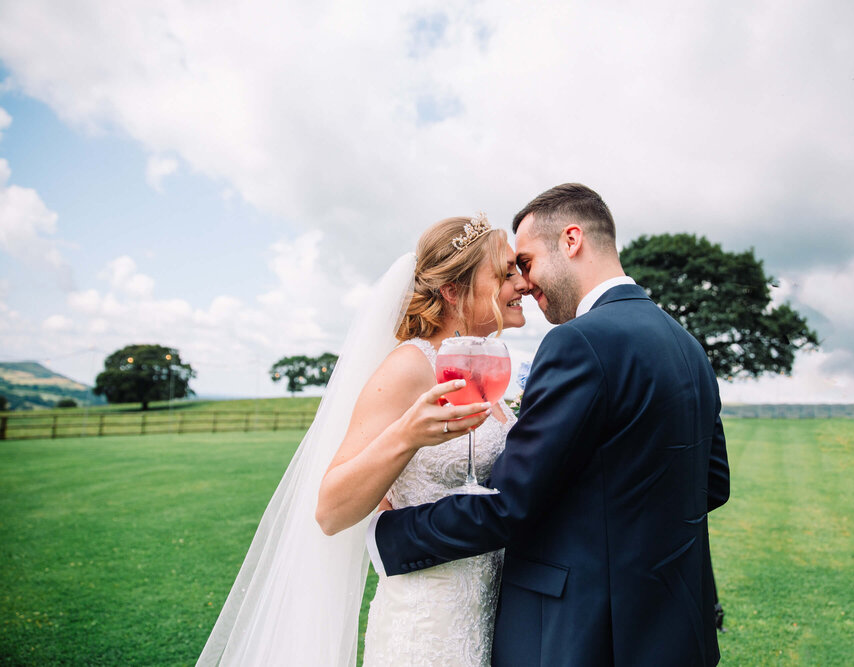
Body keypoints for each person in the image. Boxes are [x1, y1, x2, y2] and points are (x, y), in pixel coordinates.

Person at [369, 184, 731, 666]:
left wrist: (388, 534)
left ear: (572, 240)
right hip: (675, 626)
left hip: (584, 630)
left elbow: (513, 505)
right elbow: (712, 484)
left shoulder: (578, 343)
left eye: (527, 261)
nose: (524, 281)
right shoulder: (686, 345)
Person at [196, 213, 528, 666]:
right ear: (453, 291)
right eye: (505, 273)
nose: (522, 283)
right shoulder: (409, 366)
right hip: (429, 625)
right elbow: (330, 511)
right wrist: (407, 436)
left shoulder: (485, 371)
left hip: (490, 614)